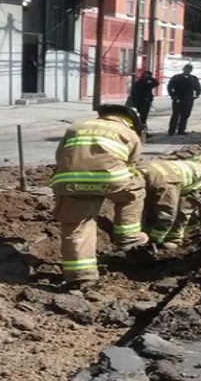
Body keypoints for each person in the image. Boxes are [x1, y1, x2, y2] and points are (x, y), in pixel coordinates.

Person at [50, 104, 149, 286]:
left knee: (77, 225)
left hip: (70, 181)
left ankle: (81, 275)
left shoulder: (75, 127)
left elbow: (61, 155)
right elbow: (131, 164)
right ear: (131, 122)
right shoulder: (129, 134)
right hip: (110, 180)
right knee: (135, 190)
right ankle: (128, 237)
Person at [167, 64, 201, 136]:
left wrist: (197, 95)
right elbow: (170, 86)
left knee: (185, 115)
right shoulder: (176, 77)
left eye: (189, 69)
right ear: (183, 69)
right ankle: (171, 130)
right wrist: (172, 95)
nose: (187, 70)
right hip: (178, 98)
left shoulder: (193, 79)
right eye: (186, 69)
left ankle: (181, 130)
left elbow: (198, 88)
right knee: (175, 115)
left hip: (188, 99)